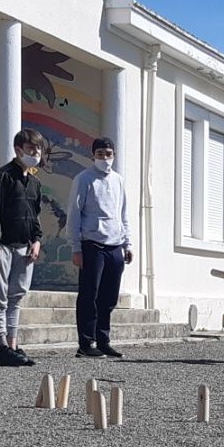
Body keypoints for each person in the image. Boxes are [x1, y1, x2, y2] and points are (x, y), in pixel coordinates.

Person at [0, 129, 48, 367]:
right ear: (18, 149)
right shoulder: (3, 177)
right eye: (31, 149)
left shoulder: (34, 183)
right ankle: (0, 346)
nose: (36, 153)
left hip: (24, 247)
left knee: (16, 297)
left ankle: (13, 343)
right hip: (3, 246)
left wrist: (36, 241)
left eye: (39, 149)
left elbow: (35, 216)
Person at [66, 137, 133, 358]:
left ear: (114, 155)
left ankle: (103, 340)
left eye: (108, 154)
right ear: (92, 155)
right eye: (100, 154)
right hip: (91, 244)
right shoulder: (84, 179)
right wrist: (76, 246)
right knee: (89, 294)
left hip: (115, 246)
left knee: (109, 296)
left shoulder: (118, 181)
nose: (105, 158)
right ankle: (86, 343)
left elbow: (123, 213)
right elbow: (74, 213)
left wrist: (127, 243)